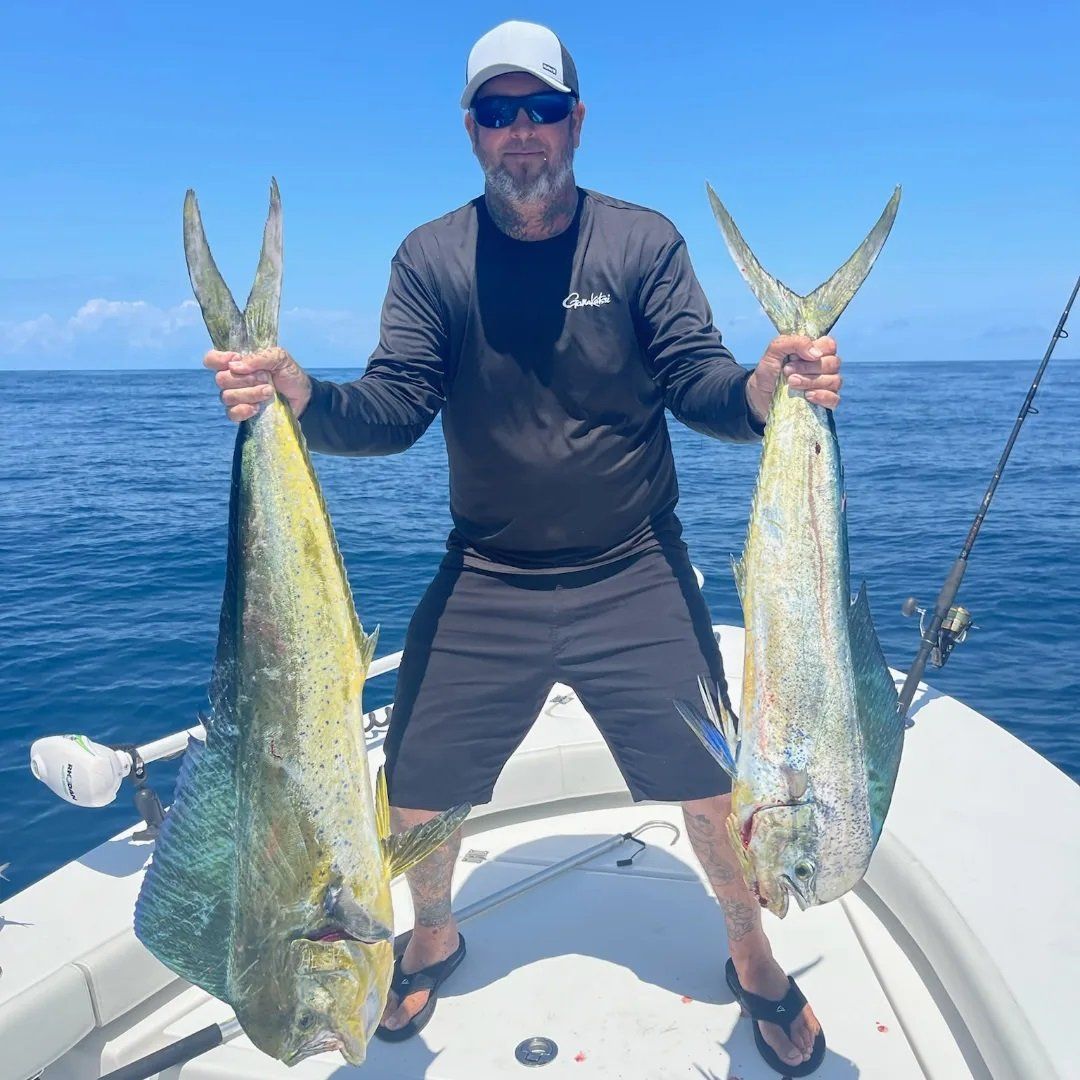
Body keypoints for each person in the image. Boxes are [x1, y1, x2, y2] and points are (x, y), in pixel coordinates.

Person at [206, 20, 840, 1074]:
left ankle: (751, 954)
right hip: (488, 574)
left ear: (576, 120)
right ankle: (436, 932)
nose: (522, 133)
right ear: (471, 132)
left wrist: (767, 394)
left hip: (633, 567)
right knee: (414, 779)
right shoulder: (432, 258)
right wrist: (302, 397)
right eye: (498, 113)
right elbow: (397, 403)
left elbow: (700, 383)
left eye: (541, 108)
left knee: (713, 787)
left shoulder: (641, 244)